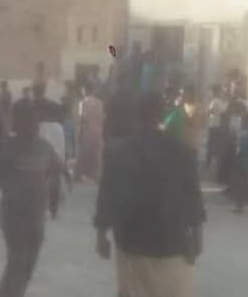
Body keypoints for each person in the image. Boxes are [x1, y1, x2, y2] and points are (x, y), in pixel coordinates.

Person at [94, 92, 206, 297]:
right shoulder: (181, 152)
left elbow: (107, 193)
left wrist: (101, 234)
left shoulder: (119, 152)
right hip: (171, 242)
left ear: (136, 115)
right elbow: (193, 196)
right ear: (162, 115)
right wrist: (198, 236)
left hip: (132, 241)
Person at [0, 99, 65, 297]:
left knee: (28, 266)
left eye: (36, 120)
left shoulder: (44, 147)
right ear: (17, 123)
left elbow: (56, 167)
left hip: (36, 216)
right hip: (14, 215)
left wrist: (53, 190)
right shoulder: (7, 148)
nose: (34, 124)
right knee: (17, 263)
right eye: (28, 120)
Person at [75, 82, 105, 182]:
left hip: (87, 130)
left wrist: (79, 132)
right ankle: (96, 175)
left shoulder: (83, 103)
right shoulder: (100, 103)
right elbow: (102, 118)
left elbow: (82, 119)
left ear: (85, 90)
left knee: (83, 153)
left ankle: (78, 175)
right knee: (96, 154)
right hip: (98, 131)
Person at [104, 75, 136, 154]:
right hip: (127, 134)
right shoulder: (132, 97)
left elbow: (107, 115)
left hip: (116, 134)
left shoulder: (113, 97)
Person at [206, 85, 228, 171]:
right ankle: (211, 163)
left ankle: (209, 162)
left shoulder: (214, 101)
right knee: (214, 144)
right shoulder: (217, 101)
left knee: (211, 144)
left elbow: (209, 112)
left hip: (213, 125)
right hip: (216, 125)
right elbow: (223, 112)